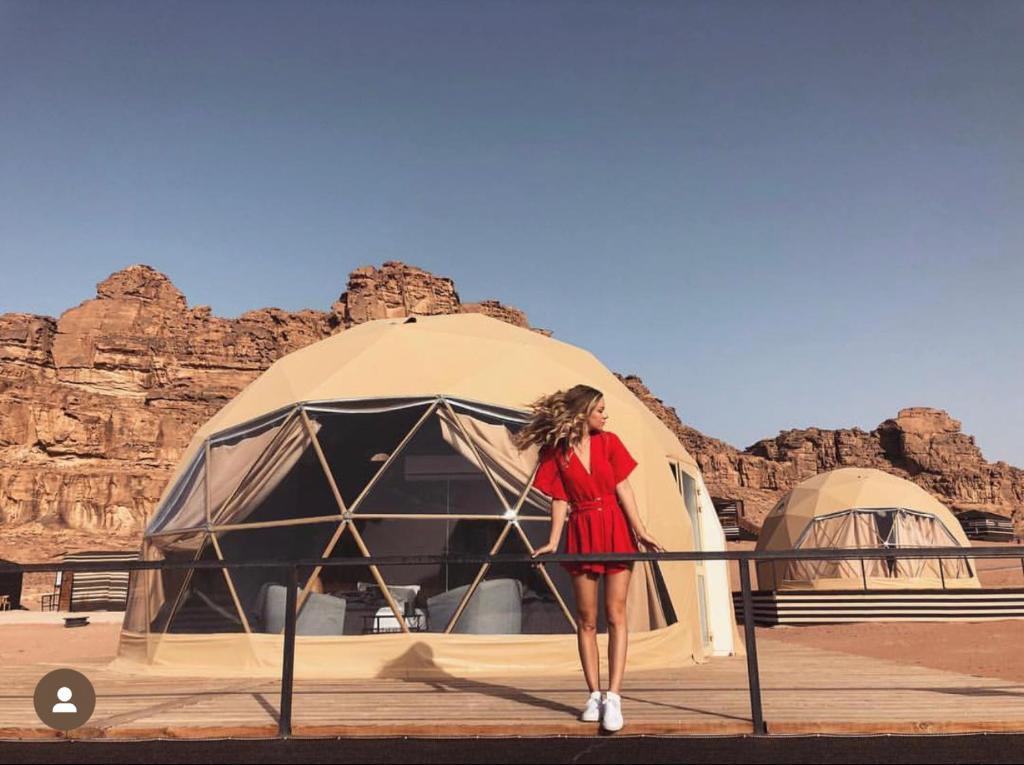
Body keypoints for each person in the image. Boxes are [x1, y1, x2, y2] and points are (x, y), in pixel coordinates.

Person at [512, 384, 665, 732]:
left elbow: (623, 487)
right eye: (600, 410)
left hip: (615, 528)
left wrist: (640, 529)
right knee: (586, 620)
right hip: (581, 529)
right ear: (582, 413)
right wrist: (553, 540)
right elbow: (560, 499)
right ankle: (594, 694)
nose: (605, 416)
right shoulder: (557, 453)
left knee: (616, 614)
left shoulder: (609, 442)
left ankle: (614, 697)